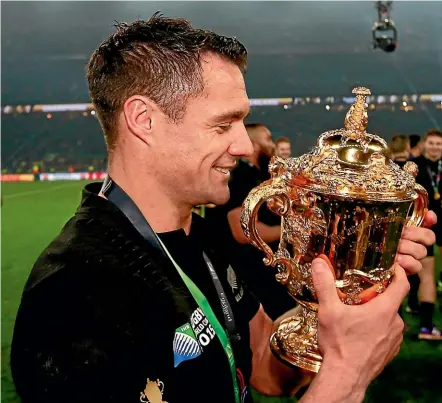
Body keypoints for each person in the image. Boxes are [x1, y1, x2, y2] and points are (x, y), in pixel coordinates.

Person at [10, 15, 436, 403]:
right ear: (144, 120)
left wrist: (349, 284)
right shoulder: (73, 294)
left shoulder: (202, 235)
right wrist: (347, 374)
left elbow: (267, 372)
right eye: (222, 124)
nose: (244, 145)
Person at [206, 123, 296, 321]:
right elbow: (243, 230)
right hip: (255, 281)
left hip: (269, 277)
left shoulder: (259, 177)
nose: (272, 145)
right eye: (267, 139)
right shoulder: (238, 177)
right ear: (254, 145)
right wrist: (290, 231)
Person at [412, 129, 442, 339]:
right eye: (431, 143)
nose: (435, 147)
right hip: (427, 224)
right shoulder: (416, 167)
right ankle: (425, 326)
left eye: (439, 144)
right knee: (427, 275)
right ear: (424, 144)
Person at [388, 134, 420, 315]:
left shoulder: (387, 172)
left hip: (390, 227)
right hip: (411, 227)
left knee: (389, 274)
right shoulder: (412, 173)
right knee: (409, 270)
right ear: (407, 147)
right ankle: (411, 304)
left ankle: (394, 312)